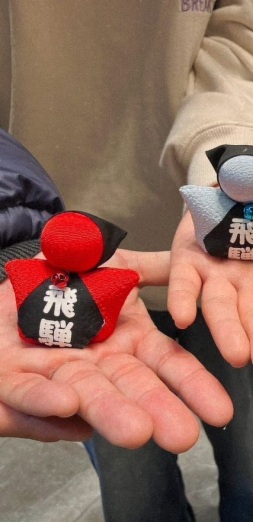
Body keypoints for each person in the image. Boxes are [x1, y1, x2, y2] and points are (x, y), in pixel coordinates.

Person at [1, 2, 253, 521]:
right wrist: (13, 241)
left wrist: (232, 150)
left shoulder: (224, 210)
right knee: (135, 489)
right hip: (52, 238)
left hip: (218, 265)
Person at [0, 127, 234, 448]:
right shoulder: (41, 274)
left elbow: (20, 270)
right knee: (128, 446)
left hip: (187, 255)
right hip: (40, 219)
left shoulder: (28, 273)